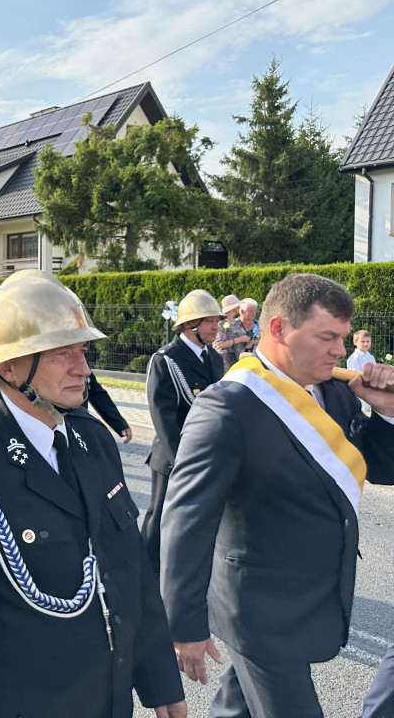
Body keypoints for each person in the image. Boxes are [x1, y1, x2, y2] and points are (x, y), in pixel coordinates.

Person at [0, 269, 186, 718]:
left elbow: (127, 564)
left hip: (107, 700)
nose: (84, 368)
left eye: (83, 350)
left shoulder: (93, 439)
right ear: (8, 366)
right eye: (61, 353)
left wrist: (159, 679)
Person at [160, 273, 394, 718]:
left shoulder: (335, 393)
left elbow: (378, 468)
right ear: (279, 329)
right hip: (258, 609)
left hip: (310, 597)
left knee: (238, 709)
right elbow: (186, 520)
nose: (340, 350)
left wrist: (386, 415)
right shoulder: (227, 407)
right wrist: (183, 624)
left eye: (343, 338)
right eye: (327, 336)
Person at [143, 289, 225, 573]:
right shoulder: (166, 359)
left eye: (217, 320)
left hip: (207, 455)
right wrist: (181, 460)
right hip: (173, 456)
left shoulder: (214, 359)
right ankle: (146, 574)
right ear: (190, 325)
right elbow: (162, 416)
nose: (217, 326)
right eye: (210, 321)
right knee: (160, 516)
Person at [81, 372, 132, 443]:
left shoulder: (83, 365)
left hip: (79, 425)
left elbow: (95, 393)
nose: (85, 369)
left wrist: (120, 423)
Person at [215, 297, 260, 371]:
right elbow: (219, 345)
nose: (239, 307)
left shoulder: (234, 322)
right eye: (237, 305)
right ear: (232, 308)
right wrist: (240, 339)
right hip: (226, 362)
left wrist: (248, 342)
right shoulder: (222, 323)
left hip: (238, 361)